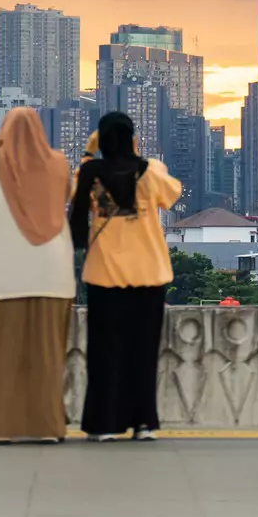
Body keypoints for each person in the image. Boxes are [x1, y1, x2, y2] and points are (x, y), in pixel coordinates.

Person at [0, 106, 76, 444]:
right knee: (47, 356)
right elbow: (63, 197)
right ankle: (47, 427)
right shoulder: (59, 163)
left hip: (2, 271)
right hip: (53, 271)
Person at [70, 111, 182, 442]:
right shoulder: (150, 173)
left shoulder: (91, 175)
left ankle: (104, 423)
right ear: (132, 139)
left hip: (105, 275)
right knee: (143, 352)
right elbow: (172, 194)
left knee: (105, 352)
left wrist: (88, 154)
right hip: (149, 274)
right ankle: (143, 422)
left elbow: (72, 194)